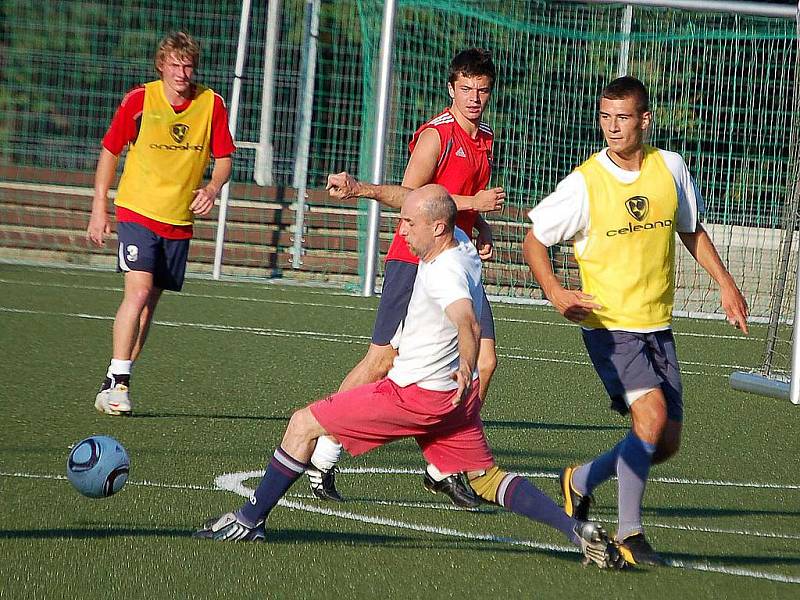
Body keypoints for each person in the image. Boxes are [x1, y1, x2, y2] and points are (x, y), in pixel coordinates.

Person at [194, 185, 625, 570]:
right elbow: (418, 200)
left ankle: (250, 520)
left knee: (302, 423)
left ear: (437, 227)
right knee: (487, 478)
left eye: (408, 223)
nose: (401, 230)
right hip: (454, 401)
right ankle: (575, 531)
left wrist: (466, 362)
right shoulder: (459, 243)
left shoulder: (445, 272)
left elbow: (466, 322)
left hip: (415, 395)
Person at [523, 76, 749, 566]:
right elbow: (534, 238)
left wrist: (726, 284)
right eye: (605, 116)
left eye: (622, 117)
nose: (612, 127)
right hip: (609, 326)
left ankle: (581, 480)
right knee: (649, 419)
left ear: (645, 119)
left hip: (656, 325)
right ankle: (630, 534)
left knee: (663, 440)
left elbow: (691, 230)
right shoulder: (585, 182)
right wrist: (556, 292)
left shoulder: (670, 168)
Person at [306, 48, 505, 506]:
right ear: (451, 89)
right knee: (381, 362)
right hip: (415, 262)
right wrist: (473, 206)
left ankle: (442, 465)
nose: (475, 97)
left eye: (483, 90)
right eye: (467, 89)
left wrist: (482, 228)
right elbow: (413, 198)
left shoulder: (485, 136)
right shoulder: (437, 135)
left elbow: (466, 200)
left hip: (456, 261)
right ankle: (324, 451)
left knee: (485, 361)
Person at [87, 31, 235, 415]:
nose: (182, 73)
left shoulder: (211, 104)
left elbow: (224, 158)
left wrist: (213, 187)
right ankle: (119, 381)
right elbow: (109, 150)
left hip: (178, 220)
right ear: (161, 65)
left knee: (149, 306)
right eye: (174, 65)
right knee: (136, 293)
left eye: (188, 66)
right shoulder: (140, 99)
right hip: (137, 211)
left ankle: (116, 378)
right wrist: (99, 208)